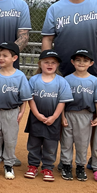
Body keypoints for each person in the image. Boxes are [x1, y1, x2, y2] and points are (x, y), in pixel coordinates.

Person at [0, 42, 33, 180]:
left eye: (5, 55)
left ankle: (8, 164)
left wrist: (21, 112)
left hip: (12, 112)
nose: (0, 58)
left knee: (10, 139)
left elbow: (25, 97)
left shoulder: (20, 76)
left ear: (14, 58)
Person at [59, 49, 97, 182]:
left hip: (86, 115)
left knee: (82, 142)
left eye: (85, 60)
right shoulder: (66, 80)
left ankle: (80, 166)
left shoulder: (95, 82)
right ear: (72, 62)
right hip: (69, 114)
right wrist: (62, 116)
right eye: (78, 60)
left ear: (91, 63)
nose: (81, 63)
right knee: (66, 142)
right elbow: (62, 101)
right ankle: (66, 165)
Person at [24, 50, 73, 182]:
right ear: (40, 63)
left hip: (53, 119)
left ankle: (47, 168)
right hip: (36, 118)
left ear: (57, 65)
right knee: (34, 143)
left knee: (50, 145)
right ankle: (33, 166)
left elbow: (62, 101)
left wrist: (54, 117)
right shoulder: (34, 79)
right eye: (46, 62)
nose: (49, 65)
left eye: (53, 62)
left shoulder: (61, 81)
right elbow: (31, 99)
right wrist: (37, 114)